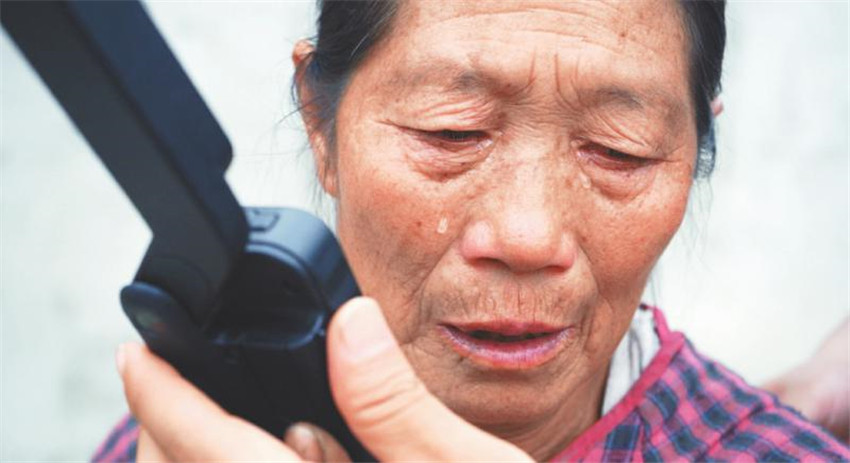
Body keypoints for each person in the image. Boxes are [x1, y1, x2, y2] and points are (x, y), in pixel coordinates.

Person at [93, 1, 850, 461]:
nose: (527, 236)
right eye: (451, 132)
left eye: (619, 150)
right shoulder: (185, 441)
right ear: (321, 123)